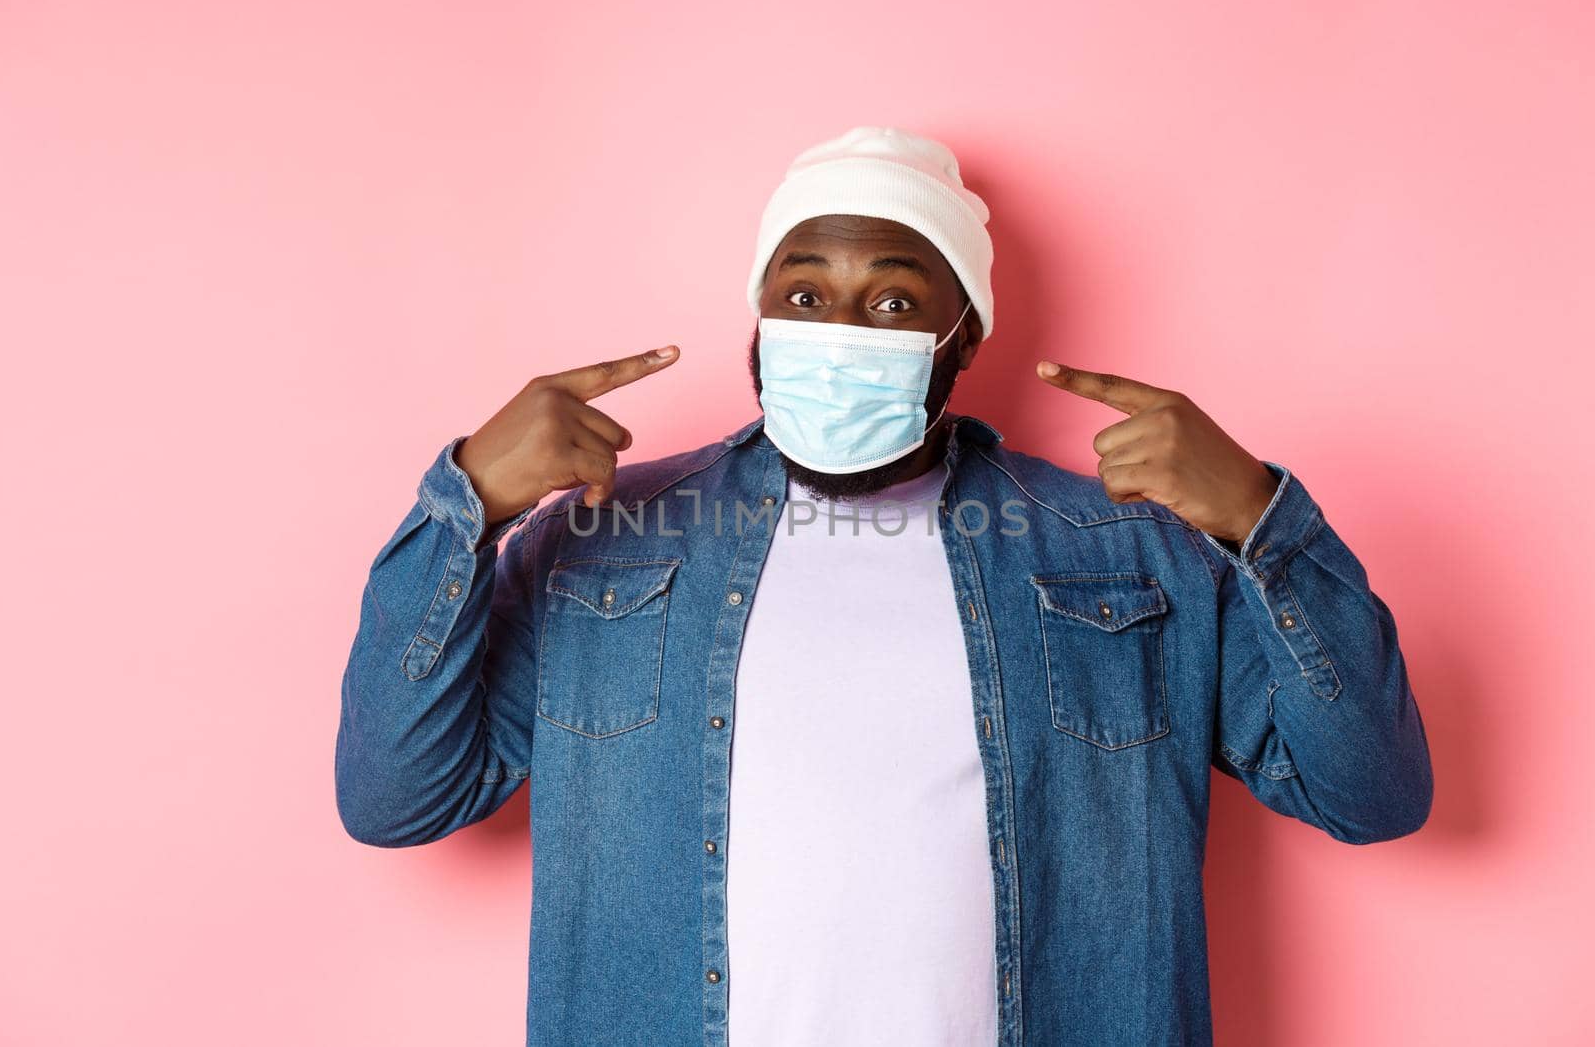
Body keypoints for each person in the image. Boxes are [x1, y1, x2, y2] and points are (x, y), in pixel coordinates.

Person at [335, 125, 1434, 1047]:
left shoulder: (1123, 551)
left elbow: (1371, 795)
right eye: (803, 292)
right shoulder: (605, 541)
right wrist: (467, 503)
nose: (839, 332)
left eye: (894, 303)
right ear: (757, 319)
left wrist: (1259, 519)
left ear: (963, 336)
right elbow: (398, 799)